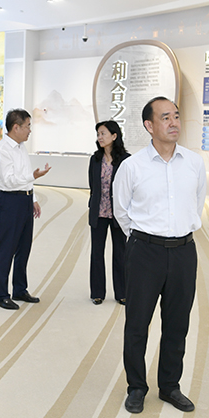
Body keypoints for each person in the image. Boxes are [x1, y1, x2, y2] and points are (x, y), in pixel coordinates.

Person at [113, 96, 207, 415]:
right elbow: (121, 211)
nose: (174, 122)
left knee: (177, 324)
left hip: (183, 252)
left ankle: (169, 386)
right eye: (165, 117)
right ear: (149, 125)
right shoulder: (132, 166)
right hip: (144, 253)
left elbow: (196, 204)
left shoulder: (194, 163)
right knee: (137, 324)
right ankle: (137, 387)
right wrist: (144, 240)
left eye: (176, 116)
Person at [0, 109, 50, 310]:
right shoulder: (2, 149)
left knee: (24, 247)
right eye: (27, 126)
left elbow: (24, 175)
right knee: (6, 248)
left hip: (24, 200)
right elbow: (9, 180)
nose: (30, 130)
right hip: (9, 202)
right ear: (16, 127)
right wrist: (33, 176)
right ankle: (1, 295)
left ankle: (19, 289)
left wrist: (32, 198)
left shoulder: (20, 147)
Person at [88, 120, 130, 305]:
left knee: (120, 253)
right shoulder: (95, 159)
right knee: (97, 253)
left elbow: (129, 187)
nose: (100, 137)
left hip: (118, 213)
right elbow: (93, 185)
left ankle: (122, 293)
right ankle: (97, 293)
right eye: (98, 134)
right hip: (98, 212)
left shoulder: (126, 160)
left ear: (114, 136)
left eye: (103, 133)